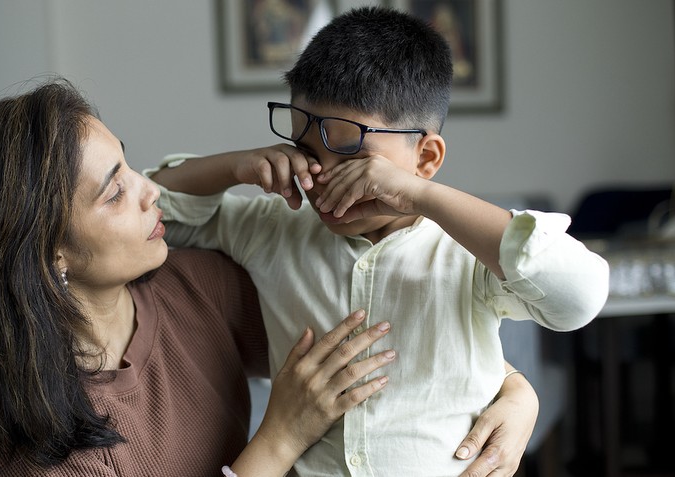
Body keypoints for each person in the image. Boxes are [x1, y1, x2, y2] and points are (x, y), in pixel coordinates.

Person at [148, 6, 609, 476]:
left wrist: (420, 196)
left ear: (425, 158)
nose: (321, 178)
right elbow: (149, 208)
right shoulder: (270, 226)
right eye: (306, 152)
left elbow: (579, 298)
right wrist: (234, 166)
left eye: (351, 157)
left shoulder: (465, 253)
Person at [0, 78, 399, 477]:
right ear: (47, 252)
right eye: (114, 192)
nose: (149, 190)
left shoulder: (196, 286)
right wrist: (282, 437)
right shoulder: (30, 446)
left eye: (127, 163)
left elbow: (371, 324)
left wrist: (479, 393)